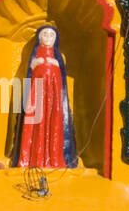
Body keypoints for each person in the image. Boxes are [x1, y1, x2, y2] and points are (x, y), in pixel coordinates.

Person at [10, 25, 78, 170]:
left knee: (53, 125)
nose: (48, 37)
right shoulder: (34, 60)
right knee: (34, 126)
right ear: (39, 38)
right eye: (45, 34)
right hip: (36, 103)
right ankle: (33, 157)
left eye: (51, 35)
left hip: (53, 104)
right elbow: (31, 80)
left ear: (55, 39)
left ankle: (54, 157)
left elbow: (61, 85)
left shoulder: (57, 61)